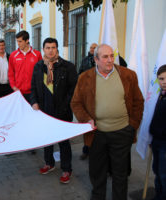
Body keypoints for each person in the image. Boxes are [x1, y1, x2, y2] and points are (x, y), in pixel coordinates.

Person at [71, 44, 144, 200]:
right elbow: (75, 103)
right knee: (97, 173)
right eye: (105, 57)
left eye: (111, 56)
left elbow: (138, 101)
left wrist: (133, 126)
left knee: (120, 173)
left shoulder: (128, 75)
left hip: (122, 132)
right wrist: (86, 120)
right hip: (97, 134)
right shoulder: (85, 78)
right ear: (96, 59)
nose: (110, 60)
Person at [31, 38, 77, 183]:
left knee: (63, 142)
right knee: (47, 139)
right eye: (48, 47)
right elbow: (33, 87)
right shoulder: (38, 67)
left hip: (62, 112)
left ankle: (66, 169)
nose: (51, 50)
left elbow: (73, 90)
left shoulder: (67, 67)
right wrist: (34, 102)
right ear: (43, 49)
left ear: (57, 49)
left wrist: (65, 106)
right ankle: (49, 163)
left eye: (53, 47)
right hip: (44, 111)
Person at [8, 30, 42, 102]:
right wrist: (13, 86)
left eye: (20, 41)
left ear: (27, 41)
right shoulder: (13, 55)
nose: (18, 44)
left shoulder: (37, 54)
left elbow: (41, 73)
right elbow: (10, 73)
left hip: (33, 92)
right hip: (18, 92)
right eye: (17, 41)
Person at [78, 43, 97, 160]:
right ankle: (86, 150)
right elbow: (80, 72)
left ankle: (95, 152)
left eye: (94, 48)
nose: (92, 49)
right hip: (87, 96)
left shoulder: (100, 61)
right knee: (87, 127)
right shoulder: (85, 60)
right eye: (91, 48)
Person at [150, 64, 166, 200]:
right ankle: (158, 194)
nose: (164, 82)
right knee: (157, 171)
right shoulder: (160, 95)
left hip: (165, 143)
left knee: (164, 173)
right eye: (161, 79)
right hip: (156, 140)